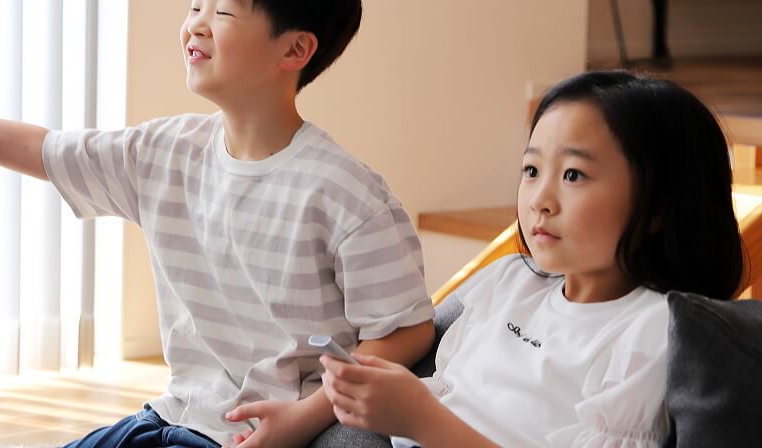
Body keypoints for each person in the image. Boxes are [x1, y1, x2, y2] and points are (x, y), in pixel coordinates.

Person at [0, 0, 437, 448]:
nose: (196, 27)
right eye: (195, 6)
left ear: (295, 50)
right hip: (173, 415)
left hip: (254, 433)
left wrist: (304, 418)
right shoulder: (167, 152)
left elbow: (408, 331)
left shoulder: (346, 194)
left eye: (223, 12)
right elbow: (46, 150)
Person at [319, 70, 745, 447]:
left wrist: (422, 419)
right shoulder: (508, 280)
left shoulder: (651, 333)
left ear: (658, 209)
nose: (540, 199)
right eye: (532, 170)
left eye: (573, 174)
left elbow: (428, 415)